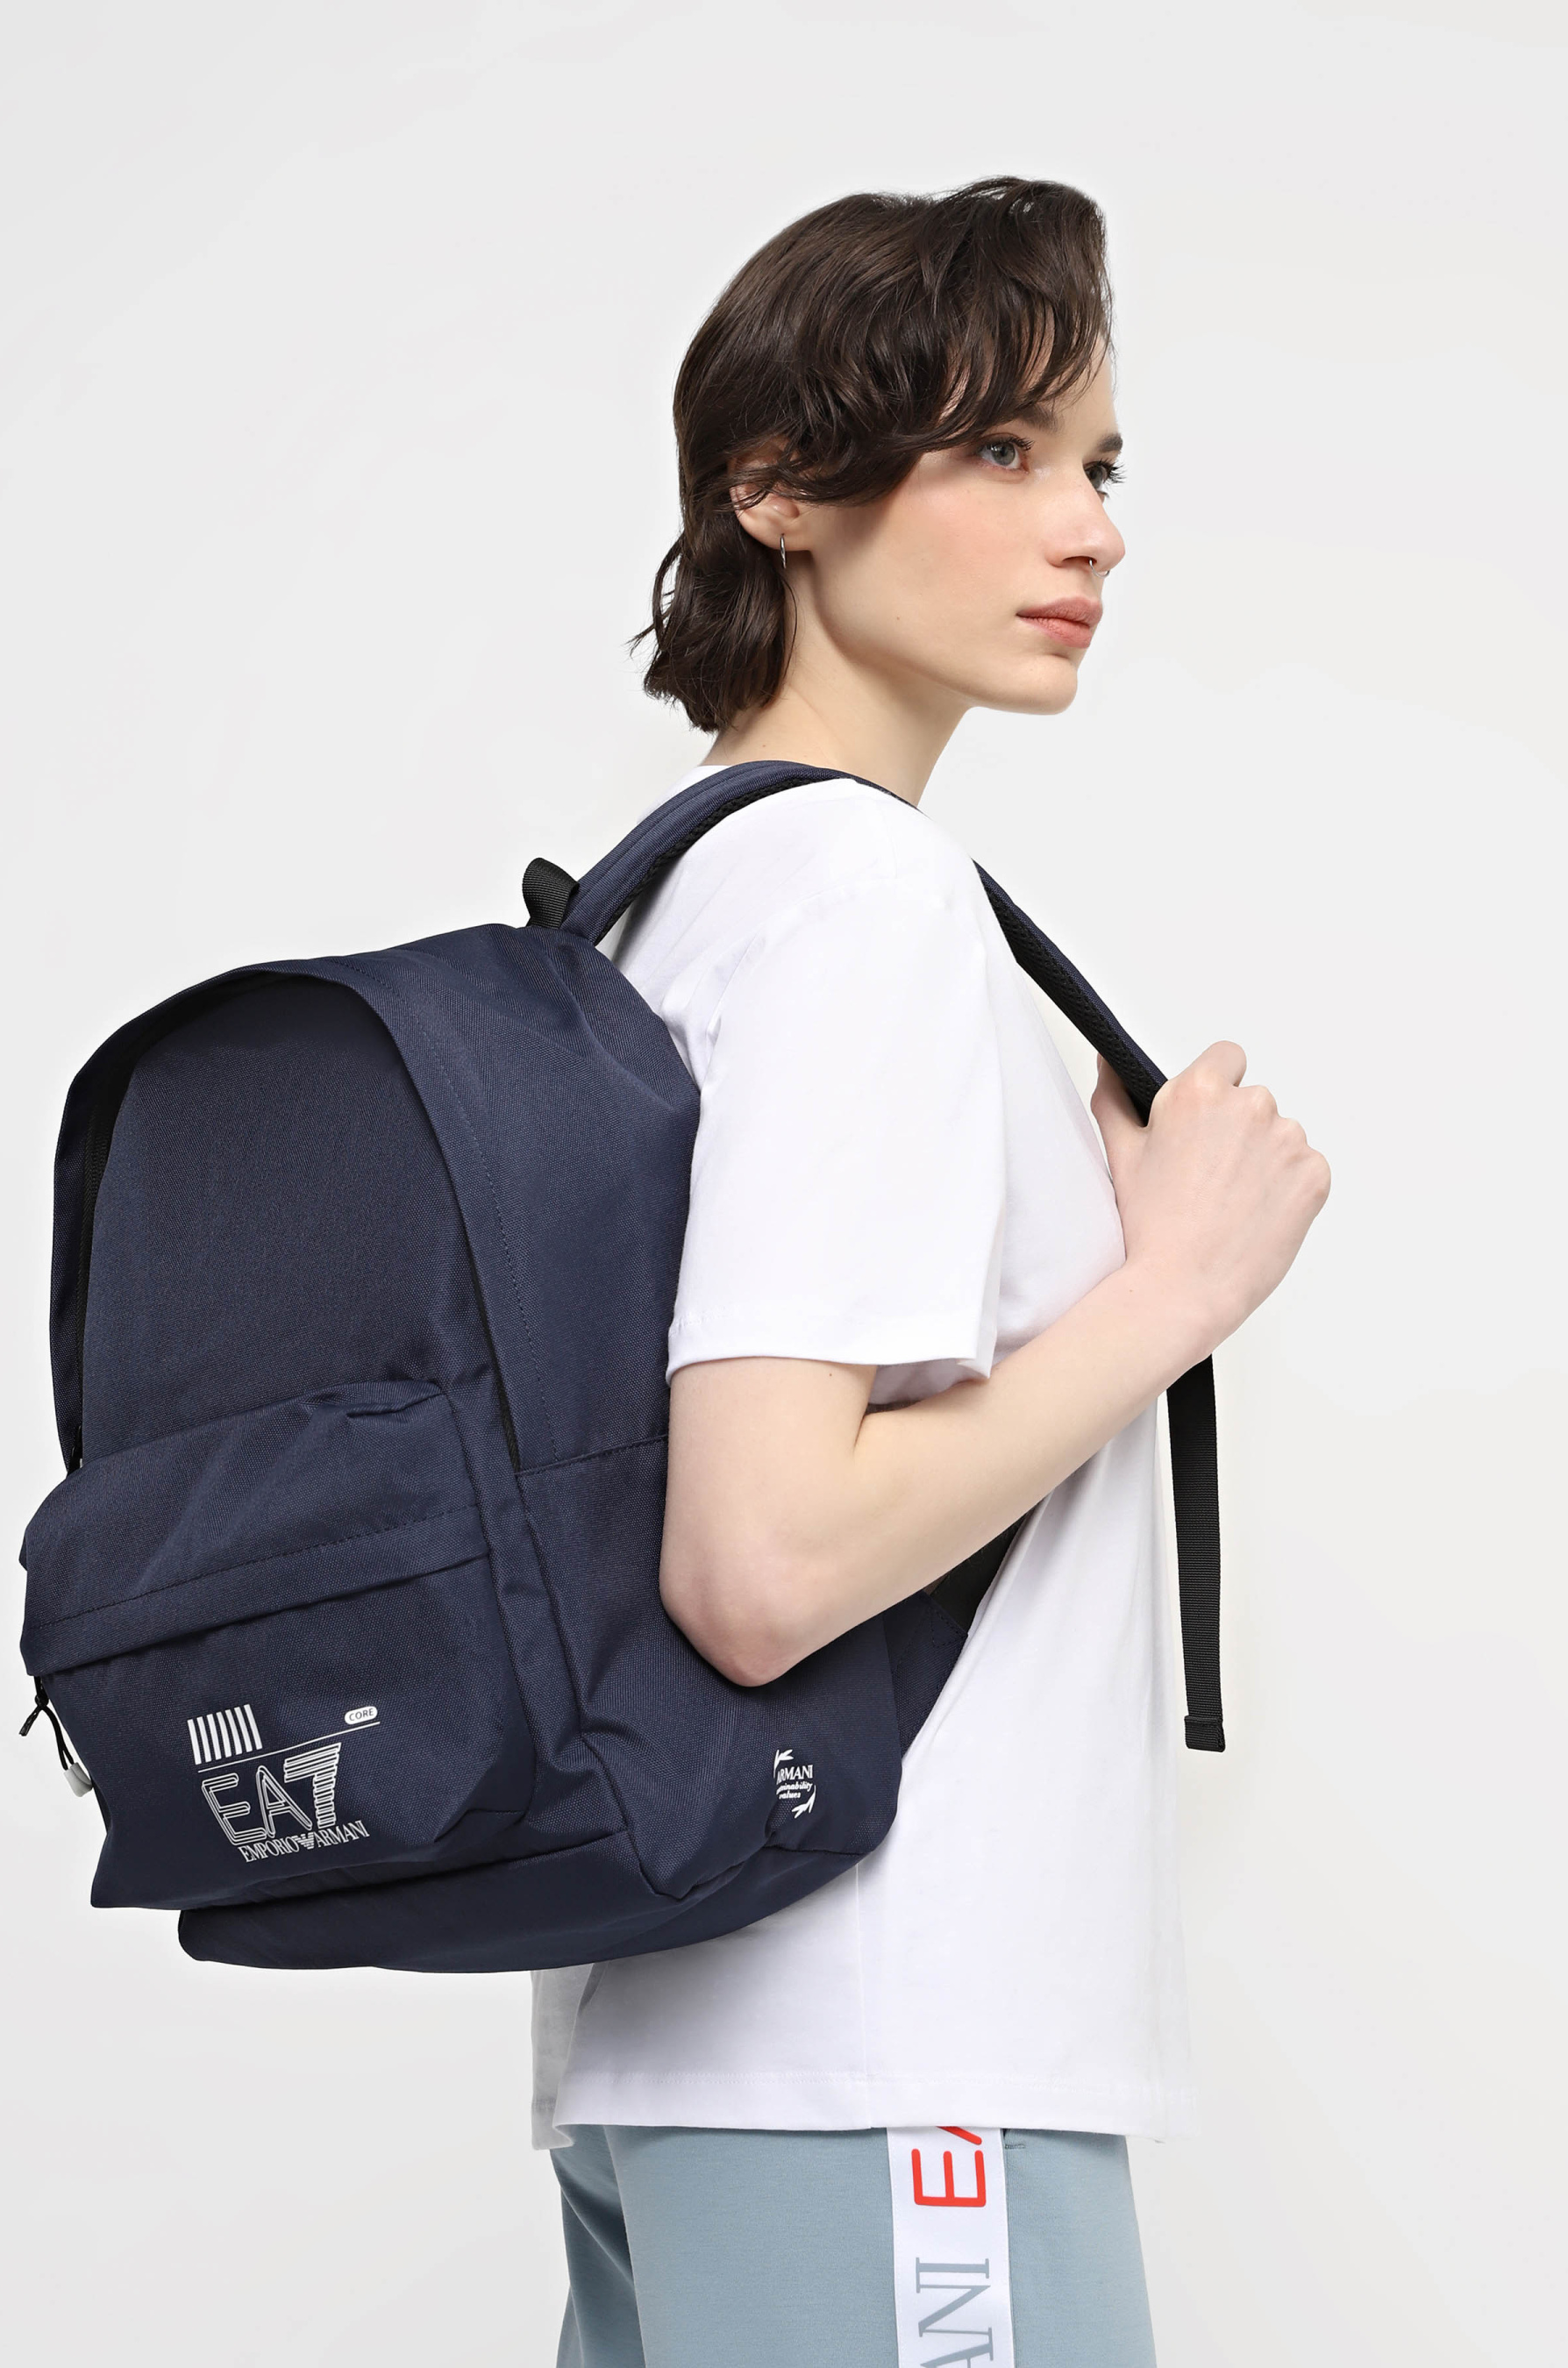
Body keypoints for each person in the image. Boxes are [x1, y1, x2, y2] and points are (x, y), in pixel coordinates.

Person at [532, 178, 1329, 2368]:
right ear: (775, 490)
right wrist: (1169, 1291)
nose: (1088, 531)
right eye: (998, 450)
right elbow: (759, 1561)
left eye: (1096, 463)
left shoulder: (668, 904)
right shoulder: (858, 902)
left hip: (715, 2032)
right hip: (891, 2051)